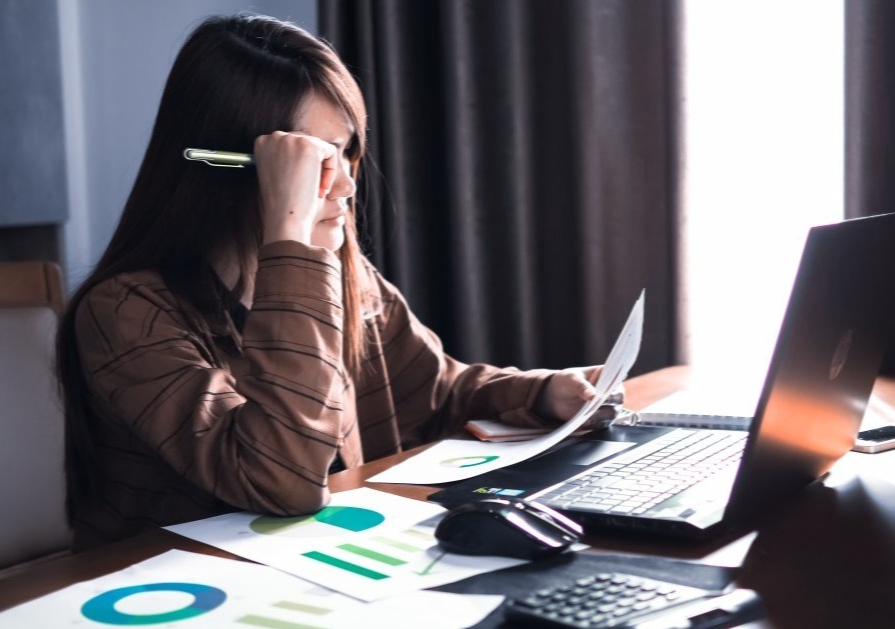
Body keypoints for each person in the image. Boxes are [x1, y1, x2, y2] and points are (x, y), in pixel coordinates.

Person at [56, 13, 612, 551]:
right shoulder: (124, 311)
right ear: (226, 165)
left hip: (320, 570)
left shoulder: (343, 275)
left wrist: (541, 391)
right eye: (314, 161)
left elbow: (436, 392)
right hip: (173, 599)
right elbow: (281, 478)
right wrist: (291, 238)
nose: (346, 184)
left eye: (347, 150)